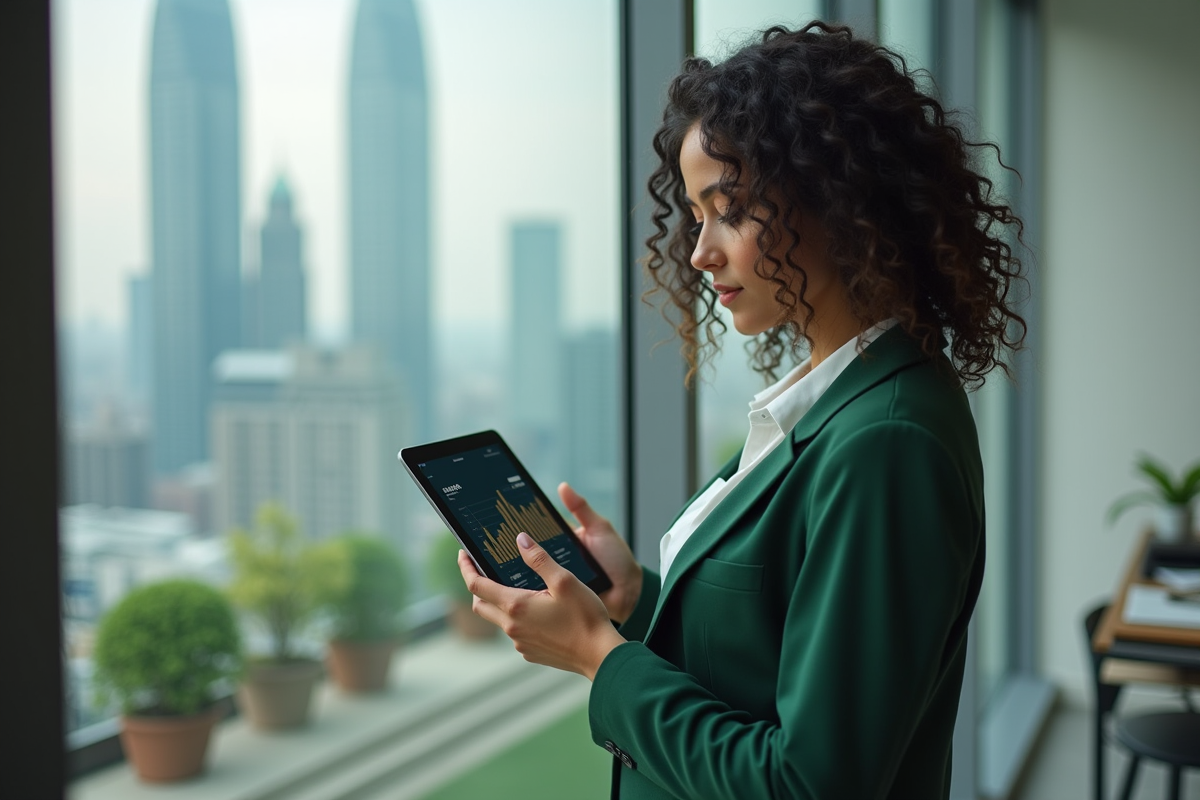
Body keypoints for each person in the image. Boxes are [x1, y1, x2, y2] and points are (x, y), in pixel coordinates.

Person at [458, 21, 1026, 800]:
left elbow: (810, 783)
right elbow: (773, 651)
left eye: (730, 209)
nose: (699, 253)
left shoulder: (885, 440)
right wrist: (633, 602)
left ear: (838, 196)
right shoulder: (837, 397)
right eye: (695, 217)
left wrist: (600, 657)